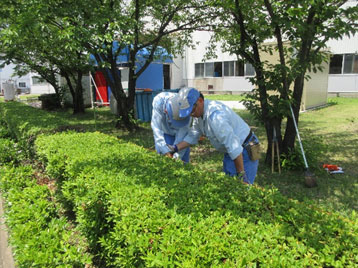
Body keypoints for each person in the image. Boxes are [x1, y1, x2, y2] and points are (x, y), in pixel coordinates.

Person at [169, 87, 259, 184]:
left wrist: (241, 174)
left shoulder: (216, 118)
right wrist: (175, 148)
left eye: (192, 110)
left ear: (200, 101)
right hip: (231, 152)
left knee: (241, 188)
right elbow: (193, 135)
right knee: (229, 184)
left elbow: (234, 148)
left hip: (244, 149)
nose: (191, 114)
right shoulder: (199, 113)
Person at [151, 91, 191, 162]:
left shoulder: (186, 107)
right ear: (166, 111)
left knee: (183, 163)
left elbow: (183, 133)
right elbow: (157, 130)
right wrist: (166, 152)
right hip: (166, 133)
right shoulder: (159, 102)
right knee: (162, 161)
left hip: (182, 136)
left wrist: (177, 156)